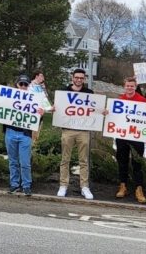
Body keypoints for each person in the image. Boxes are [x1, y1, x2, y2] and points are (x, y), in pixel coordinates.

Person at [0, 74, 44, 196]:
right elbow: (0, 112)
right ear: (17, 85)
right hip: (10, 132)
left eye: (26, 84)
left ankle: (26, 185)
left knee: (25, 162)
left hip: (25, 134)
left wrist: (40, 115)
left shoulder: (34, 99)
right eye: (21, 84)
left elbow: (36, 121)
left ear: (29, 85)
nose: (23, 86)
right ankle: (14, 184)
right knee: (13, 161)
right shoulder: (8, 97)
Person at [55, 68, 95, 200]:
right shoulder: (63, 92)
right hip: (68, 129)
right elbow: (58, 108)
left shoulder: (89, 93)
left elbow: (93, 110)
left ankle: (84, 186)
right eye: (76, 77)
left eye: (81, 78)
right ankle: (63, 185)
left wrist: (101, 111)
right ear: (72, 77)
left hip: (83, 130)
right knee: (65, 159)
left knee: (83, 160)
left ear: (84, 79)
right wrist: (55, 108)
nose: (79, 80)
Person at [112, 76, 146, 203]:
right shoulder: (119, 100)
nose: (129, 88)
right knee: (122, 161)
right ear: (124, 86)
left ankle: (139, 189)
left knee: (137, 163)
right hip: (122, 135)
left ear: (136, 86)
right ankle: (123, 186)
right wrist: (108, 113)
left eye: (132, 86)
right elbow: (114, 117)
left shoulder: (143, 100)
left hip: (137, 136)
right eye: (127, 85)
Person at [29, 70, 47, 144]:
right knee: (30, 136)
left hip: (40, 115)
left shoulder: (42, 87)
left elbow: (45, 100)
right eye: (41, 76)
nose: (43, 78)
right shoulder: (29, 86)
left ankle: (33, 150)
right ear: (36, 76)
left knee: (36, 136)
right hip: (31, 114)